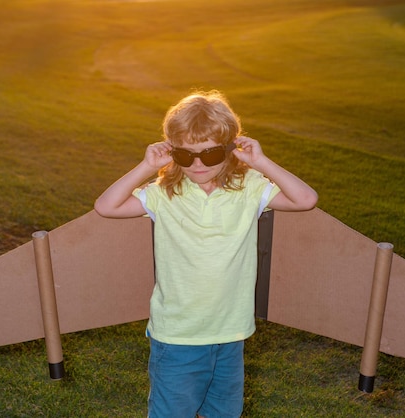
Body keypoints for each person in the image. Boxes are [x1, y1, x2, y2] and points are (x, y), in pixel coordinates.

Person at [94, 90, 318, 418]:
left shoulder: (249, 187)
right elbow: (105, 206)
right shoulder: (164, 193)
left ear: (231, 150)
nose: (198, 165)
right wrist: (146, 166)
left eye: (210, 155)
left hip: (231, 332)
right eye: (186, 156)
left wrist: (260, 161)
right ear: (173, 153)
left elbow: (305, 199)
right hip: (177, 336)